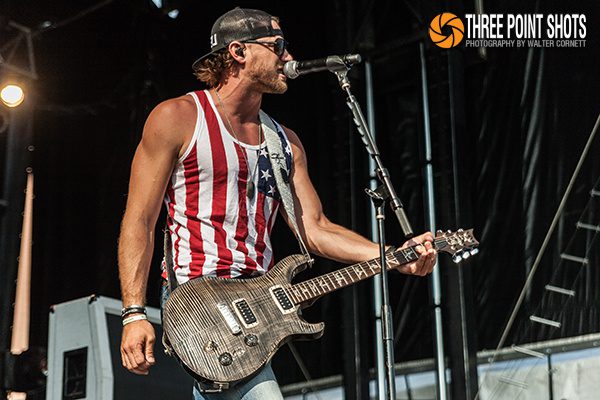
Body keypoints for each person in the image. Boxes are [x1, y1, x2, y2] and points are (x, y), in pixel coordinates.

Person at [117, 7, 437, 400]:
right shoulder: (177, 118)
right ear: (238, 52)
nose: (288, 57)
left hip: (261, 305)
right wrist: (134, 313)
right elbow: (139, 221)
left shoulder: (285, 142)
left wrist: (392, 255)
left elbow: (315, 228)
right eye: (278, 47)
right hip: (197, 299)